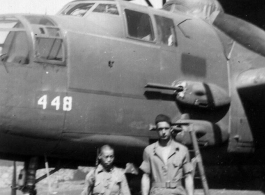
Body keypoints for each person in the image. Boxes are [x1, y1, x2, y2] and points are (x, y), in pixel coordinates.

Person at [140, 114, 194, 195]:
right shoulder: (149, 150)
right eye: (160, 129)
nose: (163, 132)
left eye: (166, 128)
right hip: (157, 192)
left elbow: (188, 177)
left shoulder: (182, 150)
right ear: (157, 130)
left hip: (177, 192)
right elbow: (145, 177)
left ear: (171, 129)